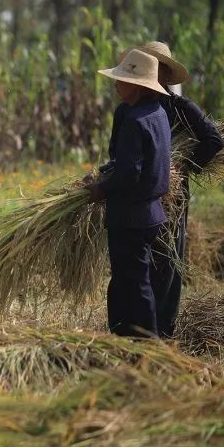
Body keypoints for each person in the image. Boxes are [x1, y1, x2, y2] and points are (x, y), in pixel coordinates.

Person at [134, 41, 224, 338]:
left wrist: (182, 168)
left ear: (163, 72)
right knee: (143, 259)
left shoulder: (180, 108)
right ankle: (143, 327)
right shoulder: (135, 107)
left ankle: (165, 331)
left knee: (169, 260)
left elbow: (213, 139)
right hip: (140, 196)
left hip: (172, 196)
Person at [87, 48, 171, 338]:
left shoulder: (135, 120)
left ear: (137, 86)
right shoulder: (156, 113)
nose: (116, 84)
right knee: (127, 280)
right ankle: (123, 339)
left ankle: (148, 345)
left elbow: (129, 173)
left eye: (121, 79)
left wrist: (99, 189)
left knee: (136, 283)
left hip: (131, 215)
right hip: (149, 213)